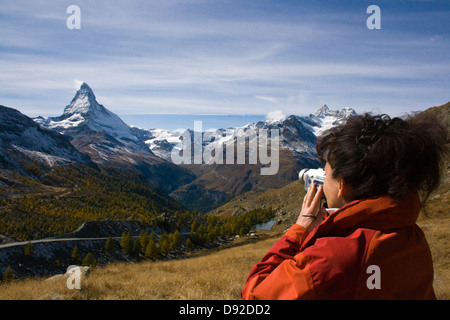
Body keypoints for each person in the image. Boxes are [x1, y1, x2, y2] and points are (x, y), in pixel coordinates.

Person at [241, 113, 448, 300]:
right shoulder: (412, 237)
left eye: (326, 171)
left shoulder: (331, 258)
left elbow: (255, 295)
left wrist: (299, 229)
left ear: (342, 185)